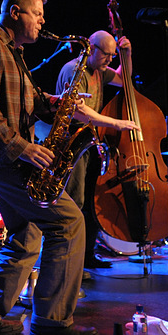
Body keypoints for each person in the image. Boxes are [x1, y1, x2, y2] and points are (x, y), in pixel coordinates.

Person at [0, 0, 136, 335]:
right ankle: (52, 320)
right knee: (68, 221)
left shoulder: (12, 51)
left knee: (28, 232)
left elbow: (32, 100)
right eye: (38, 14)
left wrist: (60, 103)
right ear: (16, 11)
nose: (43, 22)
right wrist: (23, 148)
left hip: (3, 157)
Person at [55, 30, 131, 269]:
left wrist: (126, 55)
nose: (109, 60)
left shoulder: (100, 70)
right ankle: (70, 261)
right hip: (71, 141)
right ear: (91, 47)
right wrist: (116, 124)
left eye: (112, 56)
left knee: (91, 200)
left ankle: (86, 255)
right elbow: (79, 111)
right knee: (74, 200)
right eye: (106, 55)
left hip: (88, 142)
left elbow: (124, 79)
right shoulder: (74, 70)